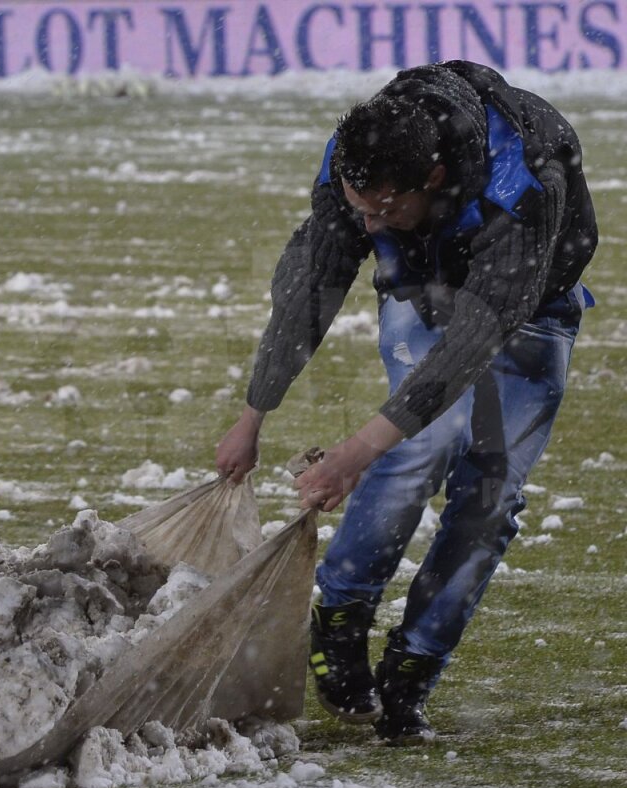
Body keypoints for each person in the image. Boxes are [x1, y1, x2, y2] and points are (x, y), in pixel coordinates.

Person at [215, 61, 596, 745]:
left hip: (532, 305)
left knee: (490, 493)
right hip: (422, 286)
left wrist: (354, 454)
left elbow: (476, 340)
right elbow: (311, 286)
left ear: (434, 178)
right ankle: (342, 611)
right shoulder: (353, 166)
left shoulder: (524, 182)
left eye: (383, 212)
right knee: (419, 444)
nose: (368, 223)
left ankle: (414, 666)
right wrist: (254, 413)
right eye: (359, 209)